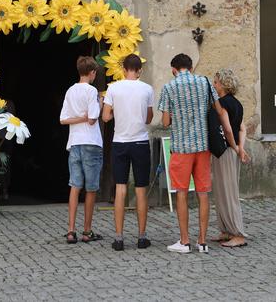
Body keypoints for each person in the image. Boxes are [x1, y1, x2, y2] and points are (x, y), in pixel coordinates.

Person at [158, 53, 218, 254]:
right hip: (203, 146)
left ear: (174, 70)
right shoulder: (205, 82)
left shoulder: (169, 87)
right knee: (203, 194)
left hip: (182, 148)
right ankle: (202, 241)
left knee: (181, 193)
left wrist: (177, 114)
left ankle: (184, 241)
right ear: (191, 67)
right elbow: (215, 108)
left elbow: (165, 122)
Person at [102, 54, 154, 251]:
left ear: (124, 69)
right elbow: (149, 118)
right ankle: (142, 237)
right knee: (141, 189)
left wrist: (117, 111)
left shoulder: (113, 88)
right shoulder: (147, 88)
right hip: (140, 141)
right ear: (139, 70)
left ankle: (119, 238)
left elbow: (106, 117)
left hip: (120, 142)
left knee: (120, 189)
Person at [59, 56, 104, 244]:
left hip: (75, 142)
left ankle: (71, 230)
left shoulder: (70, 90)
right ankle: (87, 230)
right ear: (92, 72)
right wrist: (101, 102)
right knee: (91, 188)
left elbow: (63, 119)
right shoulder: (92, 91)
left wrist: (79, 118)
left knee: (75, 186)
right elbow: (93, 118)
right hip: (91, 142)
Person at [211, 68, 251, 248]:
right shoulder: (237, 104)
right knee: (222, 191)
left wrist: (235, 148)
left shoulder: (222, 103)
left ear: (224, 84)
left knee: (228, 193)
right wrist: (241, 148)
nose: (214, 84)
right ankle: (226, 230)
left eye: (217, 82)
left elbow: (228, 129)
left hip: (225, 151)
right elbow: (242, 129)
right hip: (231, 151)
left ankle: (238, 233)